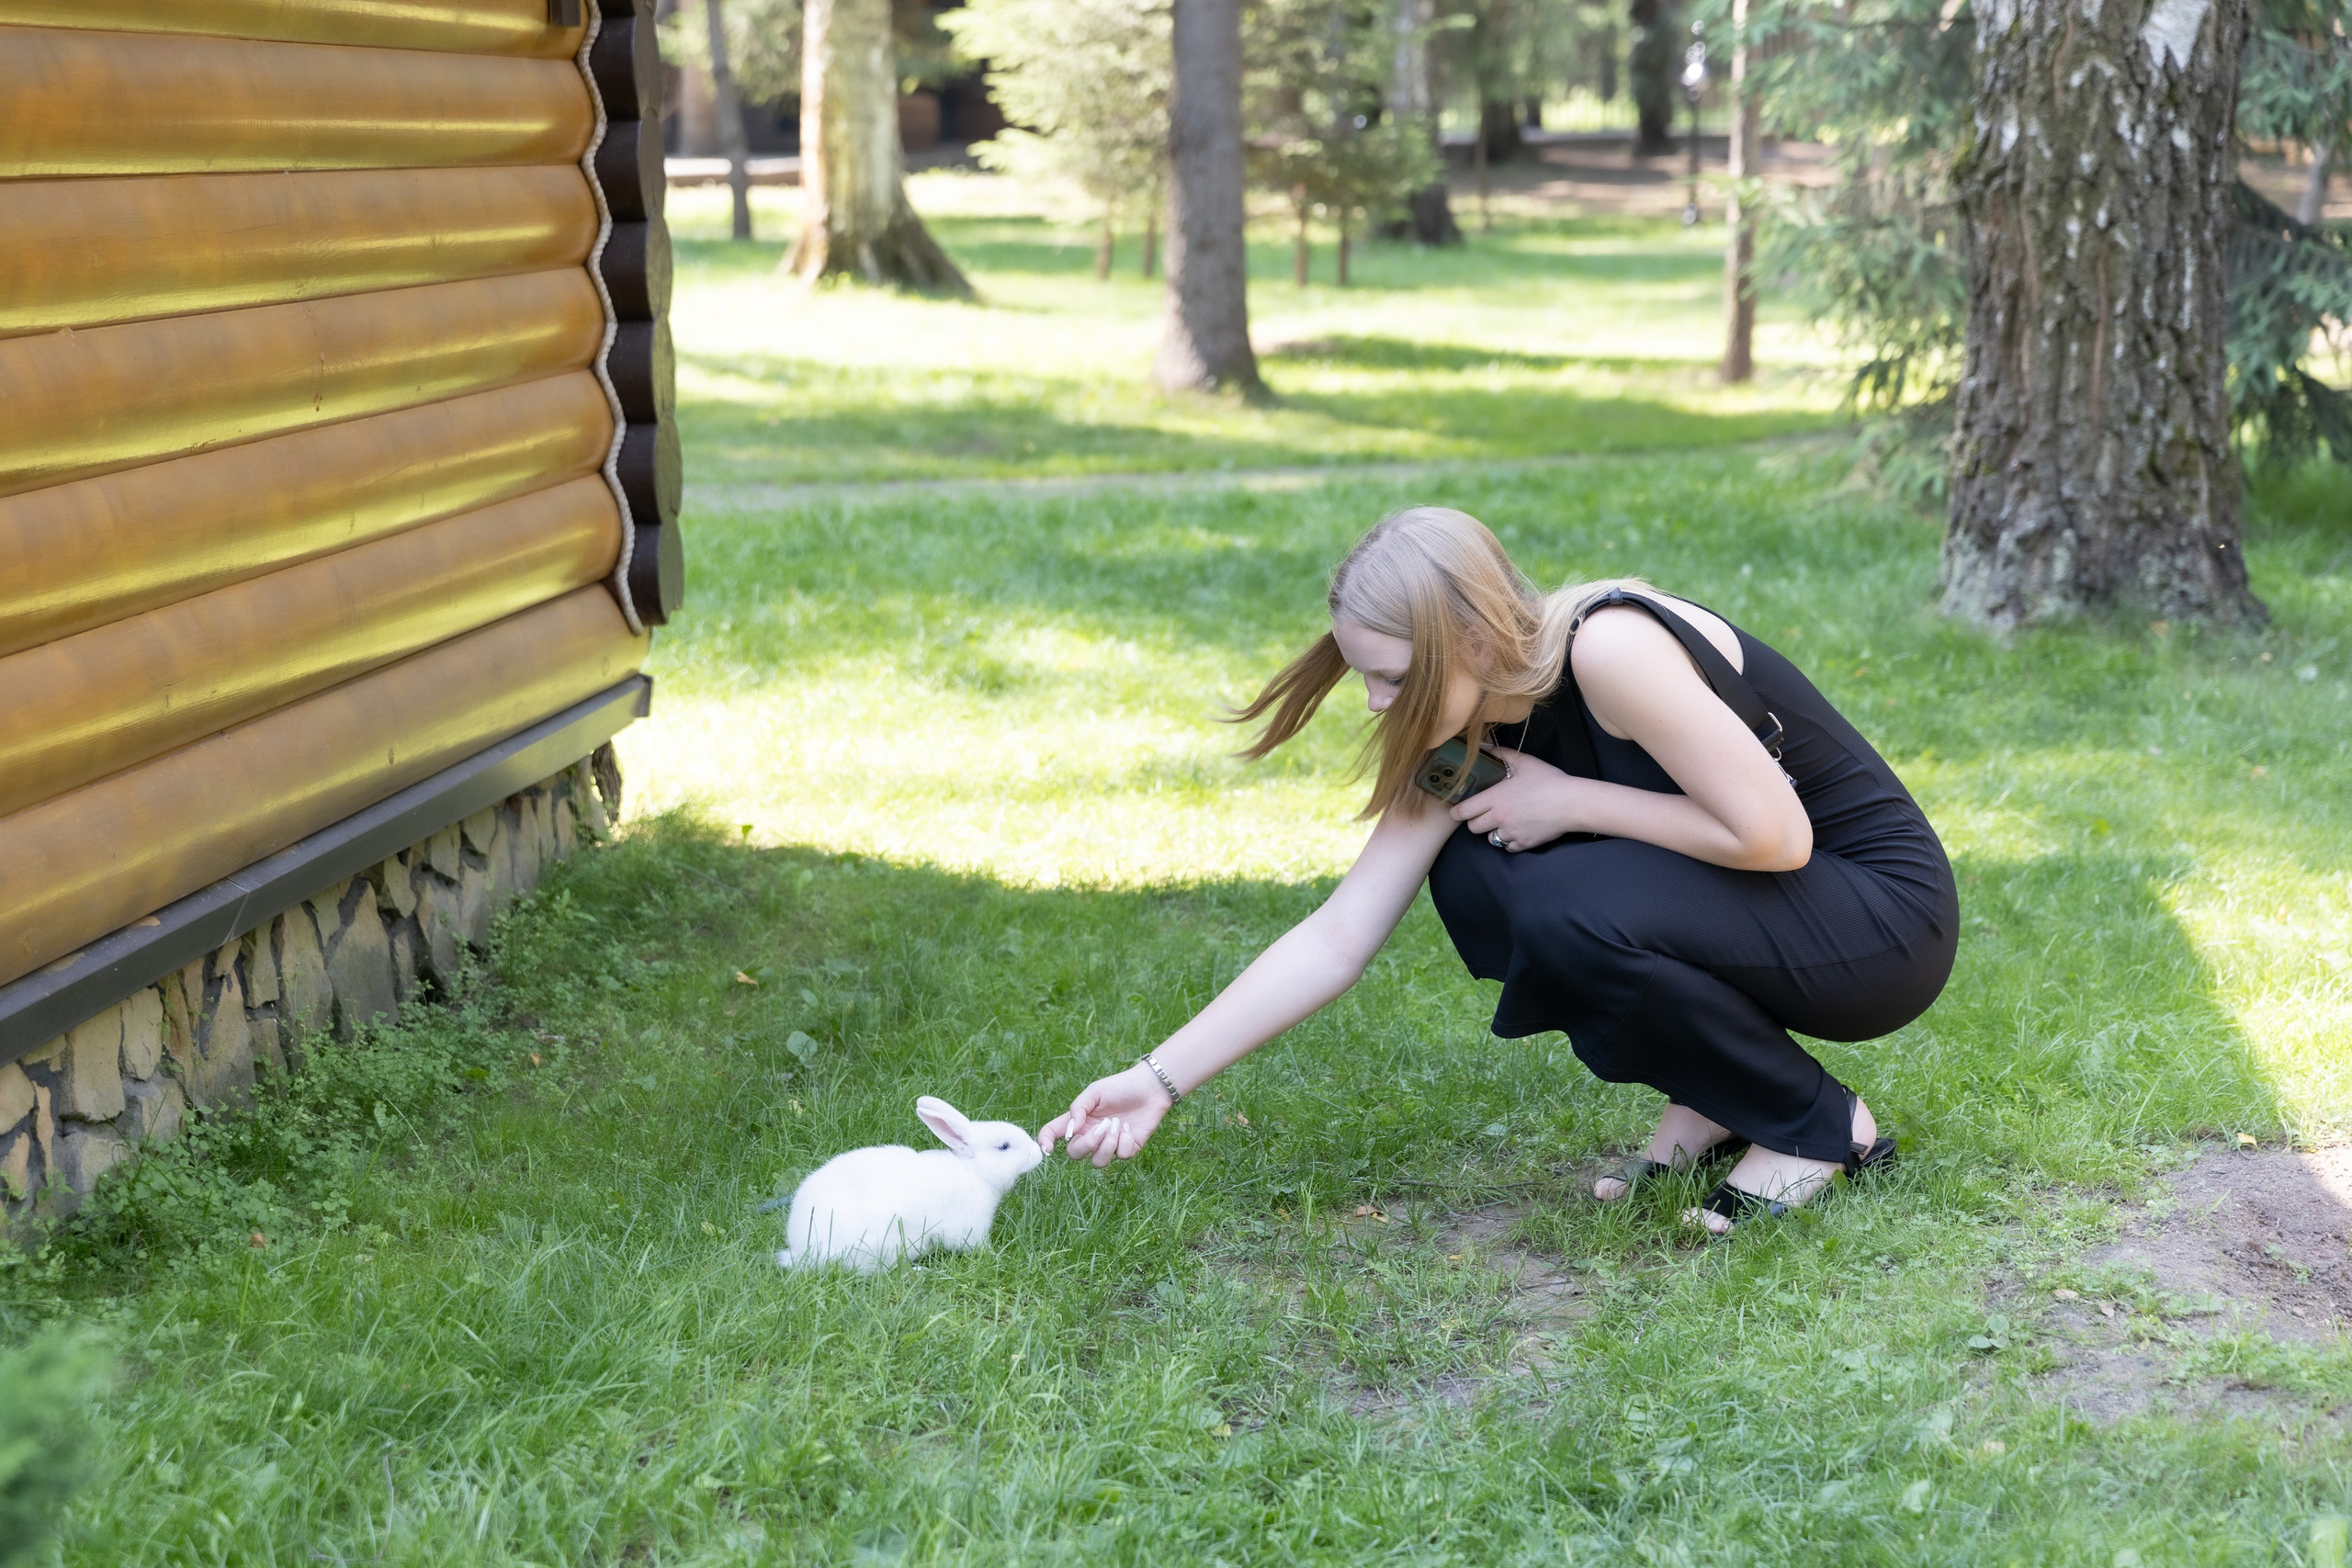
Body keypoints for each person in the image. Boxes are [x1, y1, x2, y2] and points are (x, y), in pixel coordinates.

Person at [1036, 507, 1957, 1234]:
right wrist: (1157, 1080)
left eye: (1393, 677)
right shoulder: (1460, 735)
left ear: (1472, 643)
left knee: (1561, 899)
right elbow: (1339, 934)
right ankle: (1722, 1098)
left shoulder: (1608, 646)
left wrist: (1568, 803)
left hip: (1874, 924)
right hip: (1775, 913)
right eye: (1365, 675)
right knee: (1482, 878)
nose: (1373, 701)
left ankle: (1817, 1128)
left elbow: (1776, 838)